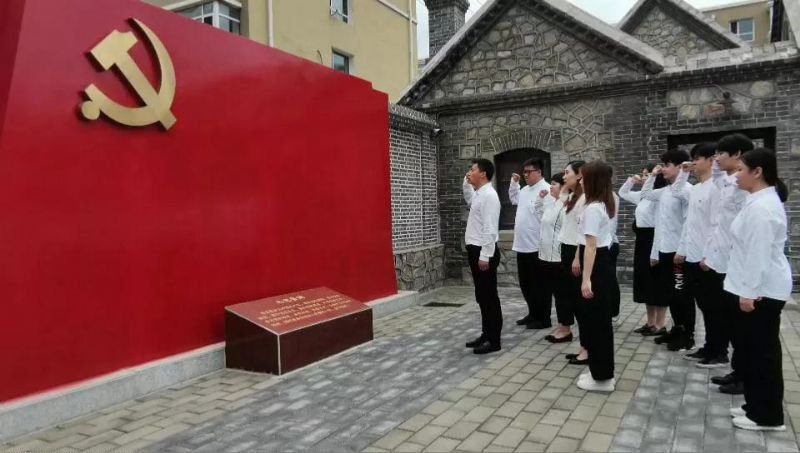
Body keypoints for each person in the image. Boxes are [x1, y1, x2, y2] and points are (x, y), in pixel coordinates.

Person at [725, 148, 791, 431]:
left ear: (758, 172)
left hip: (761, 291)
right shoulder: (756, 200)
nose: (735, 175)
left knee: (762, 355)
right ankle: (755, 406)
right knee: (751, 352)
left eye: (740, 169)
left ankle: (767, 416)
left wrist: (749, 292)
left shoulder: (763, 208)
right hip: (751, 286)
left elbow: (758, 253)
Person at [705, 134, 754, 395]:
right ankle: (738, 370)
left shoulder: (743, 186)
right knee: (729, 320)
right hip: (722, 261)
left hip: (736, 263)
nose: (716, 158)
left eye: (721, 154)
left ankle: (745, 376)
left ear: (737, 155)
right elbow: (718, 179)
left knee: (741, 326)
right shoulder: (728, 181)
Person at [673, 143, 724, 366]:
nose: (693, 162)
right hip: (692, 256)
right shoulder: (695, 188)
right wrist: (682, 250)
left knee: (714, 308)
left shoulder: (716, 187)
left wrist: (709, 255)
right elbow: (689, 222)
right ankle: (709, 347)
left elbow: (717, 225)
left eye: (697, 158)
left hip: (708, 259)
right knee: (703, 305)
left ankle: (719, 351)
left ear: (711, 160)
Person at [640, 149, 693, 350]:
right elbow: (645, 194)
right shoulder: (665, 191)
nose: (663, 169)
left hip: (678, 253)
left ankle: (687, 335)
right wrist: (652, 176)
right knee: (671, 295)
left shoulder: (686, 190)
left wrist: (682, 249)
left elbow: (688, 223)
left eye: (667, 165)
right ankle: (676, 330)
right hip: (664, 250)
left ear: (680, 167)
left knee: (682, 295)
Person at [576, 161, 617, 392]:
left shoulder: (593, 208)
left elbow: (591, 246)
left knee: (597, 323)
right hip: (600, 263)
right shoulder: (600, 204)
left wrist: (586, 279)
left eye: (583, 177)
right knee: (597, 322)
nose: (580, 181)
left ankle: (602, 378)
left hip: (596, 266)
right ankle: (600, 372)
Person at [619, 164, 667, 334]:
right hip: (642, 242)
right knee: (645, 283)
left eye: (648, 175)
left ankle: (660, 324)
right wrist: (632, 180)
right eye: (645, 174)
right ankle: (650, 322)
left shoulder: (659, 196)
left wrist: (656, 252)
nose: (645, 177)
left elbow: (660, 225)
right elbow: (623, 193)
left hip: (654, 241)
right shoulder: (642, 196)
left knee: (657, 283)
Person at [462, 158, 503, 355]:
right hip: (475, 250)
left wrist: (485, 255)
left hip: (483, 252)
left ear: (483, 174)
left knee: (489, 297)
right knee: (482, 296)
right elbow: (470, 200)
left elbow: (490, 228)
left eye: (472, 170)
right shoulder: (479, 193)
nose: (469, 172)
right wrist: (466, 183)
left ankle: (494, 340)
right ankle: (486, 334)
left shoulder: (489, 196)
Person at [509, 159, 552, 329]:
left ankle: (544, 318)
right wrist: (514, 183)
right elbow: (513, 199)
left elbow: (548, 217)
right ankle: (532, 313)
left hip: (537, 246)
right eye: (524, 172)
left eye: (529, 172)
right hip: (522, 244)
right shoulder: (525, 190)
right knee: (526, 283)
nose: (526, 175)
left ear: (539, 172)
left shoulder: (547, 190)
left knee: (540, 284)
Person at [535, 173, 571, 343]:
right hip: (546, 256)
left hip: (558, 258)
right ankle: (561, 325)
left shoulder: (567, 205)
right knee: (556, 294)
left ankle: (566, 330)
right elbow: (540, 213)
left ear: (564, 187)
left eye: (555, 184)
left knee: (563, 295)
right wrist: (540, 199)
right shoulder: (553, 203)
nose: (551, 187)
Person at [558, 161, 588, 364]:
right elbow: (560, 198)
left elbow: (583, 232)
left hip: (576, 252)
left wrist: (577, 257)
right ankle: (583, 347)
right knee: (573, 301)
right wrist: (566, 187)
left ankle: (587, 349)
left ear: (579, 175)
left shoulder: (585, 199)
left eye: (567, 173)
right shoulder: (572, 197)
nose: (563, 176)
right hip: (567, 249)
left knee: (581, 304)